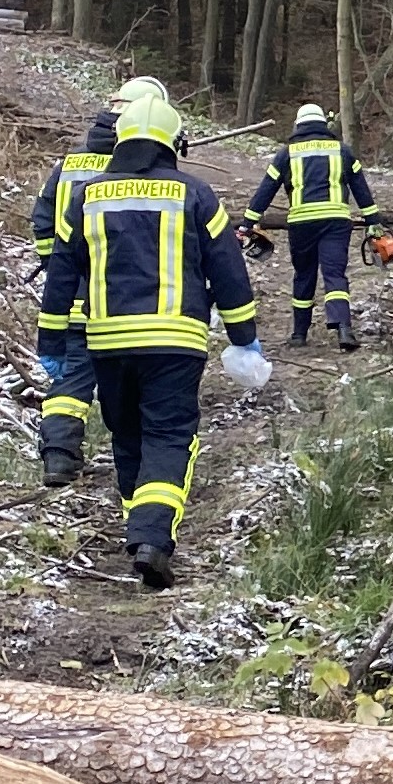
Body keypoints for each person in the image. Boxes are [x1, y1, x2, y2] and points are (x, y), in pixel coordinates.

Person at [45, 87, 267, 588]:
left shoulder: (87, 196)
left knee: (126, 434)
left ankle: (137, 523)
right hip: (176, 341)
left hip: (107, 340)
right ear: (173, 143)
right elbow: (228, 270)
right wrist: (244, 336)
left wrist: (52, 341)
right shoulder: (194, 193)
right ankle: (152, 536)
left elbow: (62, 273)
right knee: (167, 435)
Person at [26, 103, 118, 484]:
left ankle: (59, 457)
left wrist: (56, 268)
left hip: (72, 299)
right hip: (122, 301)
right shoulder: (136, 172)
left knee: (71, 383)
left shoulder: (66, 167)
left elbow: (42, 221)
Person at [250, 101, 377, 349]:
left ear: (298, 125)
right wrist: (374, 221)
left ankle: (299, 334)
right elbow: (360, 187)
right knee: (334, 274)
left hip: (302, 224)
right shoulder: (342, 150)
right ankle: (343, 329)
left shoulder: (287, 153)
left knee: (304, 275)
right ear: (324, 123)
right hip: (336, 223)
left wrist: (248, 221)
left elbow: (266, 189)